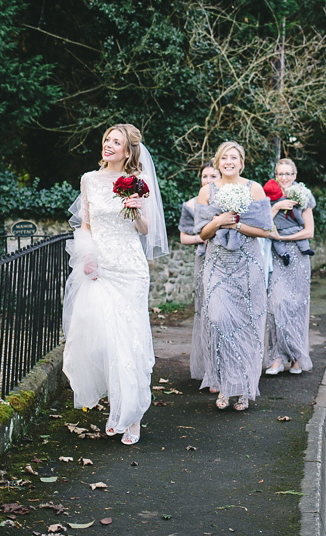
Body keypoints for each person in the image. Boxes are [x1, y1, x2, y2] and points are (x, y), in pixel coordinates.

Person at [62, 123, 168, 446]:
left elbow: (145, 229)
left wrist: (136, 210)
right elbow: (86, 224)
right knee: (105, 340)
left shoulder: (139, 182)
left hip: (130, 270)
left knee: (129, 341)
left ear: (128, 150)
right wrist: (87, 255)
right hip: (101, 267)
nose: (108, 145)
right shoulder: (89, 180)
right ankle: (119, 405)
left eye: (116, 141)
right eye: (107, 139)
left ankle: (130, 417)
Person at [195, 141, 272, 411]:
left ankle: (243, 390)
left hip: (248, 264)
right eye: (224, 158)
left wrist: (238, 223)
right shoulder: (207, 191)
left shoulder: (253, 188)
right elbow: (201, 233)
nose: (229, 162)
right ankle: (225, 384)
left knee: (247, 325)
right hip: (217, 264)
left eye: (234, 157)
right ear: (217, 162)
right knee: (219, 320)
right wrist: (218, 221)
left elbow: (266, 230)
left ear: (242, 162)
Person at [264, 158, 316, 375]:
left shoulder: (303, 196)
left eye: (288, 174)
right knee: (276, 304)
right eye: (280, 174)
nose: (284, 178)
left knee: (296, 306)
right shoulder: (266, 197)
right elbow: (263, 224)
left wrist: (285, 238)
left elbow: (309, 231)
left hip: (298, 255)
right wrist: (276, 206)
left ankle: (295, 357)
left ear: (295, 175)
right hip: (276, 256)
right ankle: (276, 357)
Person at [178, 163, 221, 386]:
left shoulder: (228, 201)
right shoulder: (191, 205)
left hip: (226, 261)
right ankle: (209, 370)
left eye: (213, 175)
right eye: (204, 176)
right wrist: (201, 238)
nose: (208, 179)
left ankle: (225, 369)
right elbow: (184, 237)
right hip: (204, 260)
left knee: (221, 315)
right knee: (206, 314)